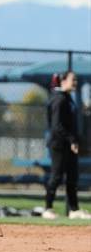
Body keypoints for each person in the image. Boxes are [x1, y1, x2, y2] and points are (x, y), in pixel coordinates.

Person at [42, 71, 91, 220]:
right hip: (59, 145)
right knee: (56, 176)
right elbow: (57, 126)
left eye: (76, 80)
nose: (75, 83)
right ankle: (47, 208)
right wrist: (71, 140)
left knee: (72, 177)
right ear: (63, 81)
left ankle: (73, 210)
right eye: (73, 80)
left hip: (69, 145)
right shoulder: (59, 99)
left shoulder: (68, 98)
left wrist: (75, 141)